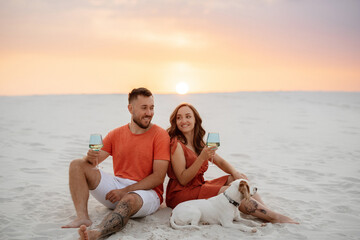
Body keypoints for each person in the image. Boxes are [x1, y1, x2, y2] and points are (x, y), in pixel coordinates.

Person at [61, 88, 171, 239]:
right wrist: (90, 157)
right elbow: (94, 162)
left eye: (152, 108)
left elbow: (158, 177)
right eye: (144, 108)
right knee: (77, 164)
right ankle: (82, 217)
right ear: (130, 108)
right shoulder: (116, 134)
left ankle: (97, 233)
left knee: (129, 199)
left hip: (147, 193)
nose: (149, 113)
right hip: (117, 188)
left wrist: (125, 191)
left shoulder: (160, 135)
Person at [166, 103, 298, 224]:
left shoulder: (199, 143)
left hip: (198, 185)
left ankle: (266, 211)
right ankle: (274, 217)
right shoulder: (177, 144)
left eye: (188, 116)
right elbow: (183, 179)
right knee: (229, 192)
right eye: (179, 118)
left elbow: (221, 162)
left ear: (195, 120)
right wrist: (201, 158)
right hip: (181, 193)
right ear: (175, 121)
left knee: (237, 180)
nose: (183, 121)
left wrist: (235, 173)